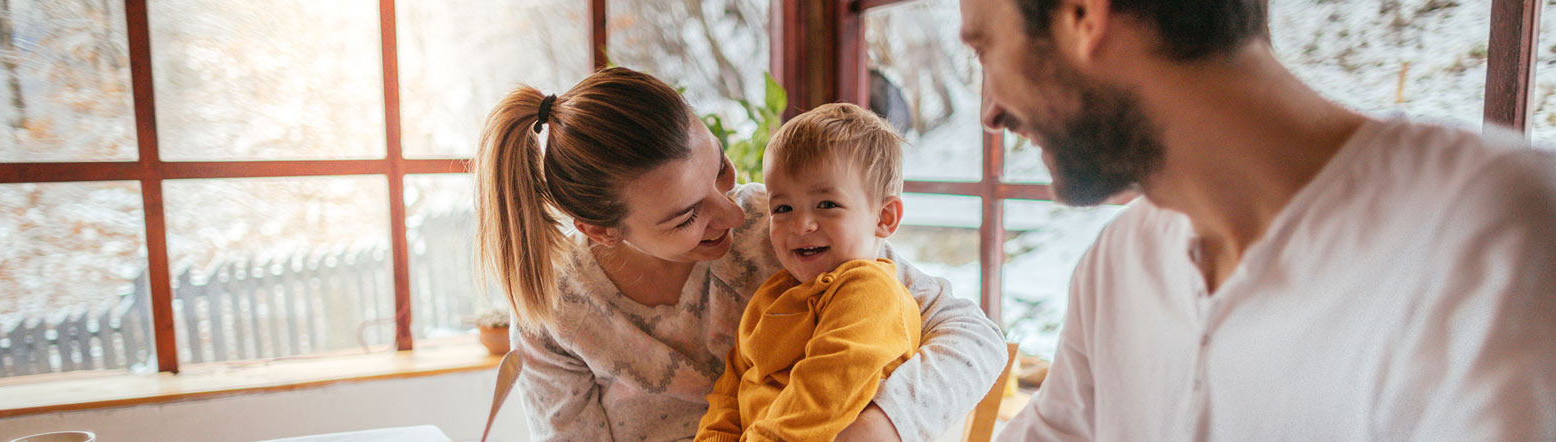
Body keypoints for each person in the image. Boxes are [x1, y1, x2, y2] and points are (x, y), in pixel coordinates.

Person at [955, 0, 1556, 440]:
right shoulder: (1116, 268)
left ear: (1086, 16)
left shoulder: (1496, 240)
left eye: (986, 49)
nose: (990, 110)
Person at [476, 67, 1007, 441]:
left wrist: (885, 422)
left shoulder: (782, 227)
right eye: (687, 216)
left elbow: (975, 337)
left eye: (721, 170)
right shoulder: (555, 314)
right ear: (601, 230)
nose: (732, 213)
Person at [695, 103, 927, 441]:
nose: (801, 225)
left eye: (827, 205)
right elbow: (733, 385)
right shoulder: (774, 294)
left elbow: (823, 393)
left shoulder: (872, 293)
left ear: (884, 218)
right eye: (783, 208)